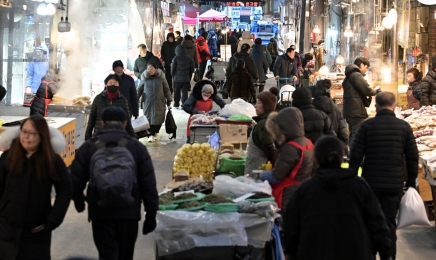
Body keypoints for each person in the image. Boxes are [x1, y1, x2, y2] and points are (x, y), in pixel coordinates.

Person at [71, 106, 158, 260]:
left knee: (106, 254)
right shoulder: (136, 147)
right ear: (125, 123)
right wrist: (151, 215)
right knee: (125, 256)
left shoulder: (89, 146)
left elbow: (76, 179)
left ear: (102, 123)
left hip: (100, 212)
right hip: (129, 213)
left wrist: (79, 200)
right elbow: (148, 185)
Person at [284, 136, 392, 260]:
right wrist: (385, 252)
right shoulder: (359, 186)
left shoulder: (305, 190)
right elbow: (377, 222)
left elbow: (291, 227)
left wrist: (292, 253)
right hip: (356, 252)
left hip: (314, 252)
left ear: (317, 159)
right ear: (342, 157)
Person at [349, 92, 419, 259]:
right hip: (394, 185)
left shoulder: (366, 126)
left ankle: (370, 254)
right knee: (388, 223)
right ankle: (389, 256)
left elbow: (355, 155)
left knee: (370, 223)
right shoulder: (404, 127)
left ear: (376, 106)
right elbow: (412, 156)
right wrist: (411, 182)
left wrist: (352, 179)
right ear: (394, 106)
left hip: (370, 184)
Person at [0, 115, 72, 259]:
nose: (26, 137)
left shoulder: (52, 160)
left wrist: (52, 220)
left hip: (36, 232)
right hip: (6, 230)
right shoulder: (9, 156)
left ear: (42, 136)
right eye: (23, 132)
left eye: (32, 133)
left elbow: (65, 189)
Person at [259, 107, 314, 213]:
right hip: (303, 191)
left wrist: (261, 175)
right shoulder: (308, 142)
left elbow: (276, 176)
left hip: (288, 195)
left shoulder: (289, 148)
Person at [343, 57, 380, 147]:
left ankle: (351, 154)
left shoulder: (349, 75)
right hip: (355, 110)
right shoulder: (356, 75)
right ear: (361, 65)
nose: (366, 70)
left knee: (353, 133)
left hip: (350, 109)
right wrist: (376, 91)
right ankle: (354, 156)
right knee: (356, 133)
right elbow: (367, 90)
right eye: (366, 67)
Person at [85, 74, 135, 140]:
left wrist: (133, 138)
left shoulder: (123, 100)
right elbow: (91, 119)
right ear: (106, 84)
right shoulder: (98, 98)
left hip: (118, 137)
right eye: (110, 83)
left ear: (119, 85)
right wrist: (87, 137)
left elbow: (127, 121)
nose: (112, 85)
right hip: (99, 137)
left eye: (115, 83)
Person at [244, 87, 279, 175]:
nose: (255, 106)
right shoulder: (266, 121)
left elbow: (269, 147)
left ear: (266, 106)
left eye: (258, 103)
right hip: (259, 169)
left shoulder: (264, 124)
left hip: (258, 170)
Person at [138, 63, 172, 143]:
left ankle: (155, 131)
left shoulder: (161, 78)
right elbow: (139, 89)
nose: (149, 70)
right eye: (148, 69)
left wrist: (169, 99)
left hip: (159, 101)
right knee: (148, 117)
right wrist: (136, 98)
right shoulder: (144, 78)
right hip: (148, 101)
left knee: (159, 118)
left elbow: (166, 88)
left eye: (151, 68)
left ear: (156, 69)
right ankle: (150, 134)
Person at [311, 79, 348, 145]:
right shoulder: (336, 110)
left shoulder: (311, 109)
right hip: (332, 145)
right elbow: (341, 132)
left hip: (315, 148)